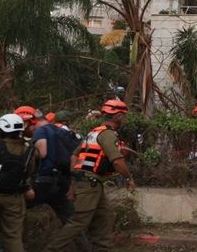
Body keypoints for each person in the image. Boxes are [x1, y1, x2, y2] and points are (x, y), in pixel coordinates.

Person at [46, 99, 134, 252]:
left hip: (91, 183)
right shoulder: (108, 135)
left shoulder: (94, 132)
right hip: (90, 184)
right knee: (79, 222)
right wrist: (128, 178)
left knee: (102, 218)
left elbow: (74, 157)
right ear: (118, 116)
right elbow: (117, 162)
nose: (125, 119)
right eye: (124, 115)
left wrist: (74, 181)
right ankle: (52, 249)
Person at [0, 114, 38, 252]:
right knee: (13, 236)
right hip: (15, 197)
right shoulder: (29, 150)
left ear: (1, 130)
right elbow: (29, 172)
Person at [28, 110, 78, 224]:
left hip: (44, 180)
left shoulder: (40, 130)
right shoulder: (58, 130)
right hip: (62, 178)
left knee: (16, 206)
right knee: (69, 218)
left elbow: (42, 153)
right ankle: (80, 235)